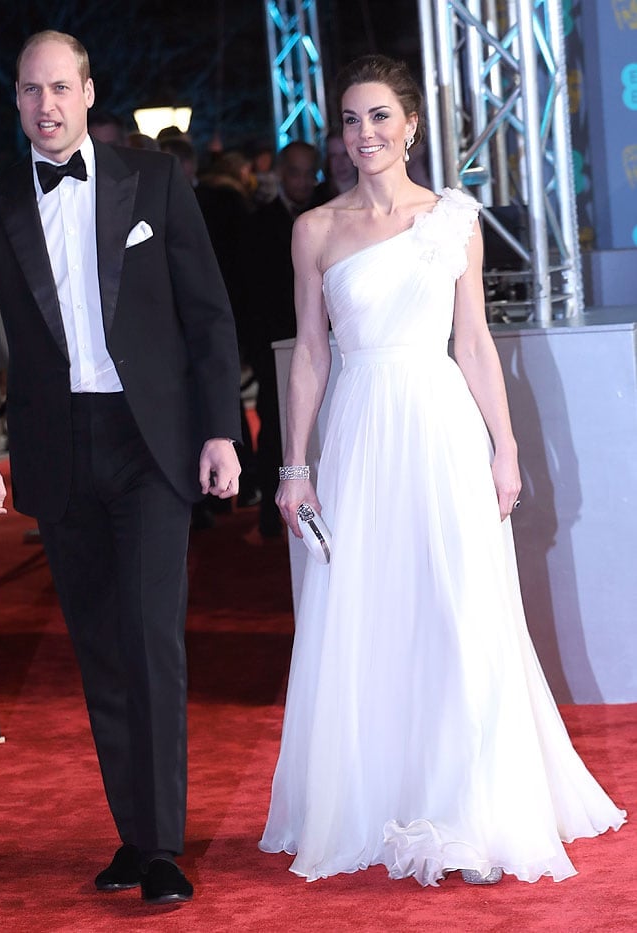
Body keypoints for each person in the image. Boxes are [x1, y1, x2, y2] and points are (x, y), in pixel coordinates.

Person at [259, 55, 625, 886]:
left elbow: (473, 344)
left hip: (441, 426)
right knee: (370, 607)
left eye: (380, 117)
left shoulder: (452, 219)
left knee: (461, 604)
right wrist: (292, 466)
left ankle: (474, 797)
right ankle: (376, 793)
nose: (365, 135)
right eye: (351, 120)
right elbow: (311, 356)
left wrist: (506, 447)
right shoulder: (314, 230)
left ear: (411, 125)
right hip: (358, 436)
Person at [0, 30, 242, 908]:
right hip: (55, 447)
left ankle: (159, 844)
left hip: (149, 440)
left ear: (88, 92)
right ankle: (132, 831)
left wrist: (222, 430)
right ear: (18, 102)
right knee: (101, 651)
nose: (46, 106)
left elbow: (210, 316)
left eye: (60, 88)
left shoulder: (151, 181)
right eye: (30, 91)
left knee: (151, 640)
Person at [245, 141, 319, 538]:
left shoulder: (330, 215)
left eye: (310, 172)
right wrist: (259, 350)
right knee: (275, 428)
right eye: (295, 172)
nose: (303, 181)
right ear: (280, 173)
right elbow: (250, 292)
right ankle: (271, 520)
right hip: (276, 346)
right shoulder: (258, 225)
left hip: (320, 341)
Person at [311, 128, 358, 206]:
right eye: (333, 156)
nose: (340, 162)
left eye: (346, 154)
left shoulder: (373, 192)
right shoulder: (315, 198)